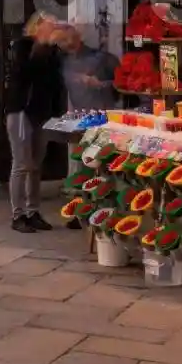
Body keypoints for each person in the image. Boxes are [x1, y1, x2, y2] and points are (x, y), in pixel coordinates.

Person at [5, 13, 67, 233]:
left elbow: (55, 83)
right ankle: (18, 214)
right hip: (21, 111)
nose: (53, 30)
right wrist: (42, 45)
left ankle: (33, 212)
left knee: (35, 165)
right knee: (21, 163)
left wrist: (59, 112)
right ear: (38, 28)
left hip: (41, 113)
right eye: (50, 26)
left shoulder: (52, 52)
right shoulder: (22, 47)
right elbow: (24, 73)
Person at [59, 25, 120, 229]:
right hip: (79, 120)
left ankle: (101, 210)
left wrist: (101, 85)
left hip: (103, 119)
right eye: (62, 40)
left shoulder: (102, 58)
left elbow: (121, 85)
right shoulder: (63, 61)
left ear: (79, 37)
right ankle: (80, 213)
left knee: (101, 166)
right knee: (80, 167)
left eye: (69, 39)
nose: (66, 44)